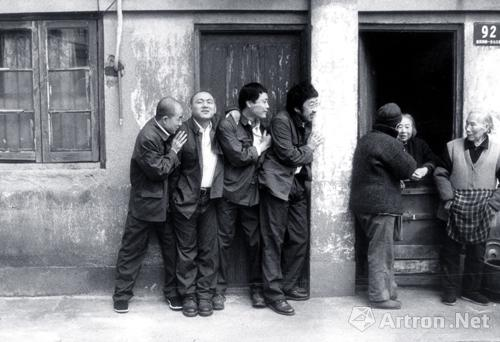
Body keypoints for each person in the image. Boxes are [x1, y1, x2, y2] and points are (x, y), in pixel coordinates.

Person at [113, 97, 187, 314]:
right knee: (132, 250)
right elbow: (158, 171)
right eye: (178, 119)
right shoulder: (148, 137)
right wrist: (173, 152)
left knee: (171, 251)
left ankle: (173, 294)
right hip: (145, 205)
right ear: (165, 119)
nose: (181, 123)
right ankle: (121, 296)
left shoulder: (166, 132)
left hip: (164, 204)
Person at [258, 82, 322, 316]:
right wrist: (309, 149)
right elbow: (287, 155)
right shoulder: (281, 121)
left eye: (317, 104)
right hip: (276, 186)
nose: (315, 109)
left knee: (299, 237)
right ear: (297, 107)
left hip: (295, 186)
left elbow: (297, 157)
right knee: (273, 240)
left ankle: (286, 286)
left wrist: (303, 153)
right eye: (311, 104)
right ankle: (274, 295)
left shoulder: (305, 121)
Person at [350, 102, 417, 310]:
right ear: (396, 125)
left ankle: (389, 291)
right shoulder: (390, 143)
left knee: (378, 250)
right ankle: (379, 297)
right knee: (381, 252)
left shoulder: (366, 140)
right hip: (382, 206)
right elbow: (409, 168)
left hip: (363, 205)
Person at [214, 82, 272, 310]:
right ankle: (218, 290)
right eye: (264, 101)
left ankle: (257, 288)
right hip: (230, 192)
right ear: (250, 103)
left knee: (255, 242)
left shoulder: (263, 125)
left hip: (254, 194)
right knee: (223, 242)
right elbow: (237, 156)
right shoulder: (228, 124)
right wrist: (260, 148)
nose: (268, 105)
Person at [434, 111, 500, 306]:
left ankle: (471, 290)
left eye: (472, 125)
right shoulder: (452, 147)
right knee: (450, 251)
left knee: (477, 253)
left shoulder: (498, 150)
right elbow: (440, 173)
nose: (467, 128)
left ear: (486, 127)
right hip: (453, 208)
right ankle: (449, 290)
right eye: (467, 124)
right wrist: (449, 198)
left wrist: (493, 203)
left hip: (483, 210)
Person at [170, 91, 224, 317]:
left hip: (211, 199)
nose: (205, 105)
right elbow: (173, 170)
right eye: (199, 101)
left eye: (209, 101)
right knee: (187, 252)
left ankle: (205, 296)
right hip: (186, 200)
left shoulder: (221, 130)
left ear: (215, 108)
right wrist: (176, 197)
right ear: (190, 108)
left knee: (209, 251)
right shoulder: (182, 132)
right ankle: (188, 296)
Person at [396, 113, 440, 182]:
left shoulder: (420, 144)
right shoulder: (388, 145)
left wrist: (425, 169)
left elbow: (434, 160)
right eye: (399, 127)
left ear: (412, 128)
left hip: (418, 188)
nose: (403, 131)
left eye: (407, 127)